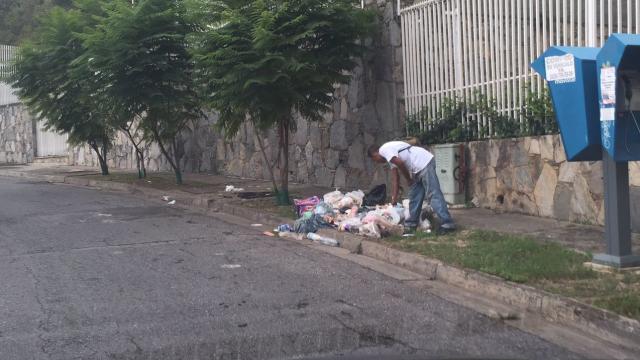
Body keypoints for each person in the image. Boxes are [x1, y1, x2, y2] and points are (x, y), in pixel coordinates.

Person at [368, 141, 455, 233]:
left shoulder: (384, 150)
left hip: (424, 162)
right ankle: (411, 224)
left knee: (433, 193)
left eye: (375, 160)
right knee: (415, 195)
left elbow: (400, 163)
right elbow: (395, 179)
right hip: (416, 169)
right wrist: (394, 199)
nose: (377, 162)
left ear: (375, 154)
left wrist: (408, 179)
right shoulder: (390, 156)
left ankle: (447, 224)